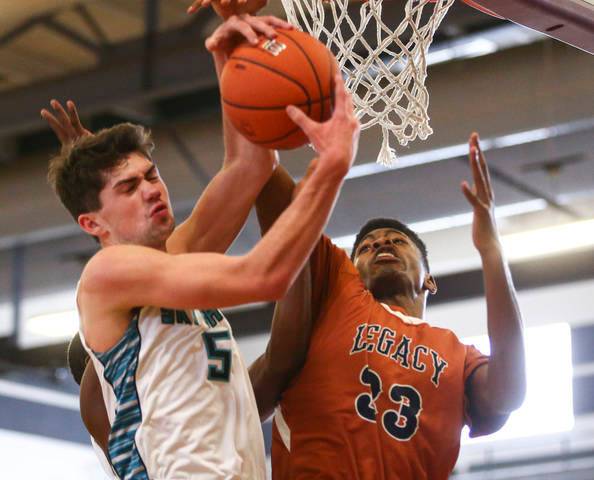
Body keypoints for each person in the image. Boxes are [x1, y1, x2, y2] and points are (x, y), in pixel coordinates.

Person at [45, 12, 360, 480]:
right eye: (129, 188)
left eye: (151, 175)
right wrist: (331, 167)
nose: (152, 189)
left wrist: (230, 59)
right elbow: (266, 277)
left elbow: (250, 166)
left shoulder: (175, 258)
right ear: (92, 223)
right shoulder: (108, 276)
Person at [248, 133, 527, 479]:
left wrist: (491, 250)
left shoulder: (458, 354)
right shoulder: (336, 289)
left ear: (429, 279)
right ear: (354, 272)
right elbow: (277, 201)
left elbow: (508, 395)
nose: (381, 242)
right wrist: (256, 122)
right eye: (366, 247)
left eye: (397, 241)